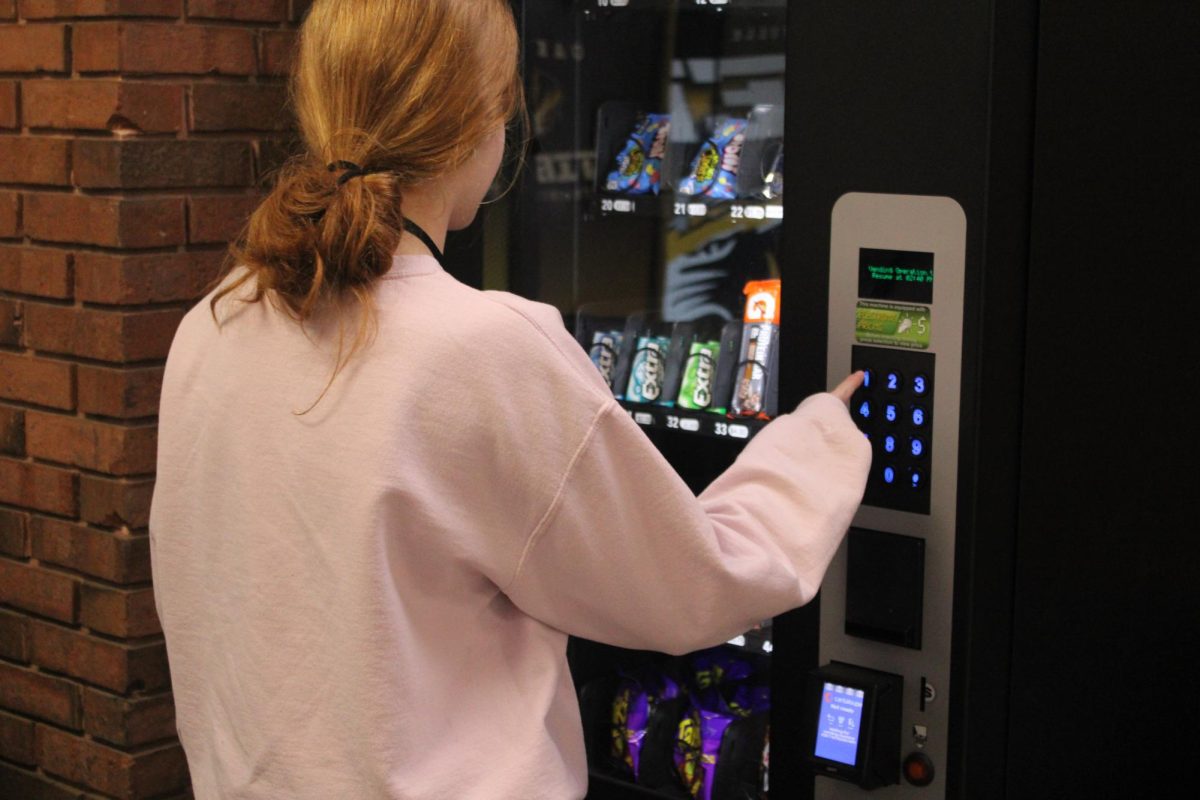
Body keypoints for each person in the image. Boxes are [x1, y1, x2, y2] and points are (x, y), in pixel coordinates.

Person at [148, 1, 871, 798]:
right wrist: (817, 440)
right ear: (481, 125)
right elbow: (696, 588)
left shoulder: (212, 327)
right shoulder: (482, 352)